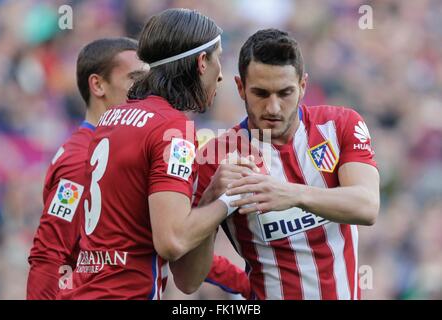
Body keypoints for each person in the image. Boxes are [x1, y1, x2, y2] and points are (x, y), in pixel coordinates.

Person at [62, 9, 254, 300]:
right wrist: (230, 200)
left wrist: (212, 192)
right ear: (202, 62)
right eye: (219, 58)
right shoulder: (172, 127)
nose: (222, 76)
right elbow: (172, 241)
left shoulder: (113, 118)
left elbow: (147, 233)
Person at [193, 29, 380, 300]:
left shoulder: (339, 126)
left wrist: (291, 194)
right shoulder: (216, 156)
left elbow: (367, 206)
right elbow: (186, 273)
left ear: (303, 86)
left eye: (285, 93)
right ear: (240, 87)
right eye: (261, 93)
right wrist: (210, 198)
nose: (273, 108)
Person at [27, 37, 145, 299]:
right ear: (98, 85)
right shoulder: (81, 161)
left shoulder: (114, 151)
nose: (146, 91)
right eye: (135, 79)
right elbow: (49, 255)